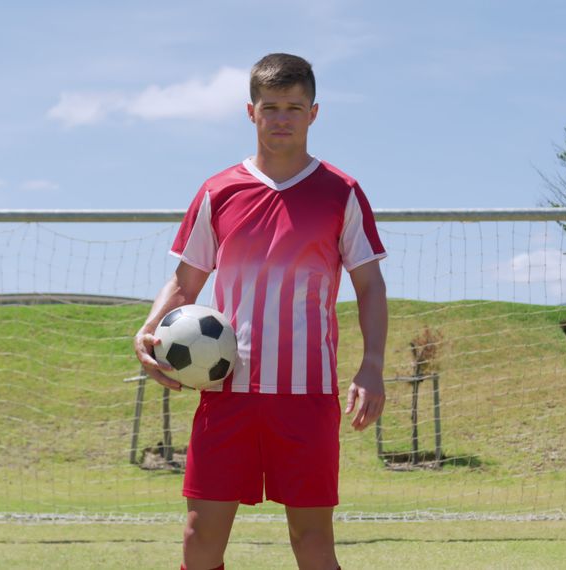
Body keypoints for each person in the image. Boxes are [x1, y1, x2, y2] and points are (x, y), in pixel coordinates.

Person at [134, 53, 388, 570]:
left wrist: (372, 365)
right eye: (270, 107)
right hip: (227, 391)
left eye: (294, 107)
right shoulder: (218, 190)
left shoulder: (341, 192)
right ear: (250, 112)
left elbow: (370, 286)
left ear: (314, 113)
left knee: (312, 541)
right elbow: (186, 282)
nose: (281, 119)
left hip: (306, 393)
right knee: (199, 537)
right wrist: (147, 328)